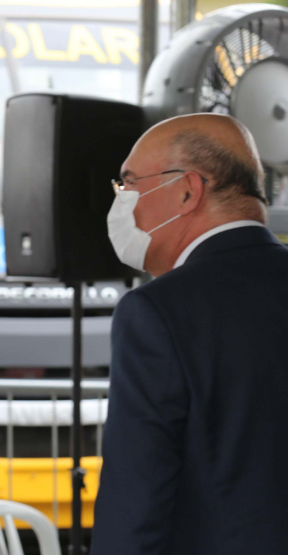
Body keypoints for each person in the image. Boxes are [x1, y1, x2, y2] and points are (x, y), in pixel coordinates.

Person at [92, 113, 288, 553]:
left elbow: (136, 501)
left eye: (128, 185)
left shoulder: (158, 313)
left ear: (186, 190)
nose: (122, 202)